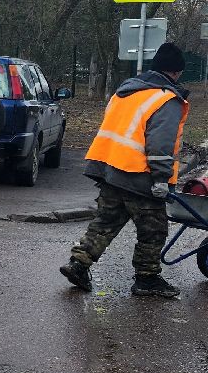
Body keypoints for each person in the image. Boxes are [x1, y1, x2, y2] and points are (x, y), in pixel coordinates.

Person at [60, 41, 190, 298]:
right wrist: (161, 178)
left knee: (106, 221)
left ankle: (78, 264)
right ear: (175, 72)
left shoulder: (126, 92)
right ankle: (147, 279)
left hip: (109, 169)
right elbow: (160, 142)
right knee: (153, 230)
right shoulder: (166, 99)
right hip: (139, 176)